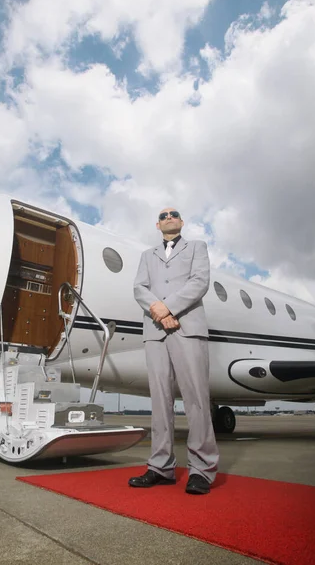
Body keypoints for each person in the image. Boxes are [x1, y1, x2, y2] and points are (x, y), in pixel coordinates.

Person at [128, 208, 219, 495]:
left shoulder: (197, 248)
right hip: (156, 332)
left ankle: (202, 469)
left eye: (174, 214)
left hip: (187, 328)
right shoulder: (147, 255)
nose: (169, 217)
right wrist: (160, 313)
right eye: (163, 215)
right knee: (160, 402)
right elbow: (140, 288)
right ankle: (160, 467)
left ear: (181, 222)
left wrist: (168, 308)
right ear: (157, 224)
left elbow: (199, 282)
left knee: (196, 399)